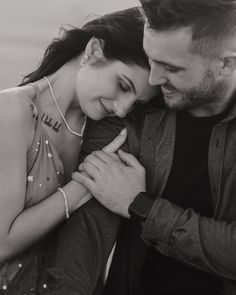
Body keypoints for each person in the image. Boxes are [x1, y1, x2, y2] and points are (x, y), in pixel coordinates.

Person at [42, 0, 236, 295]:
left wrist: (141, 205)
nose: (154, 78)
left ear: (226, 63)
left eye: (171, 67)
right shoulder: (135, 114)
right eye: (151, 58)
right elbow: (86, 234)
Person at [0, 7, 158, 294]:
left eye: (135, 102)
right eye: (123, 85)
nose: (122, 108)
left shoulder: (97, 131)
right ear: (94, 49)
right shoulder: (14, 110)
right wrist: (82, 188)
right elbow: (2, 242)